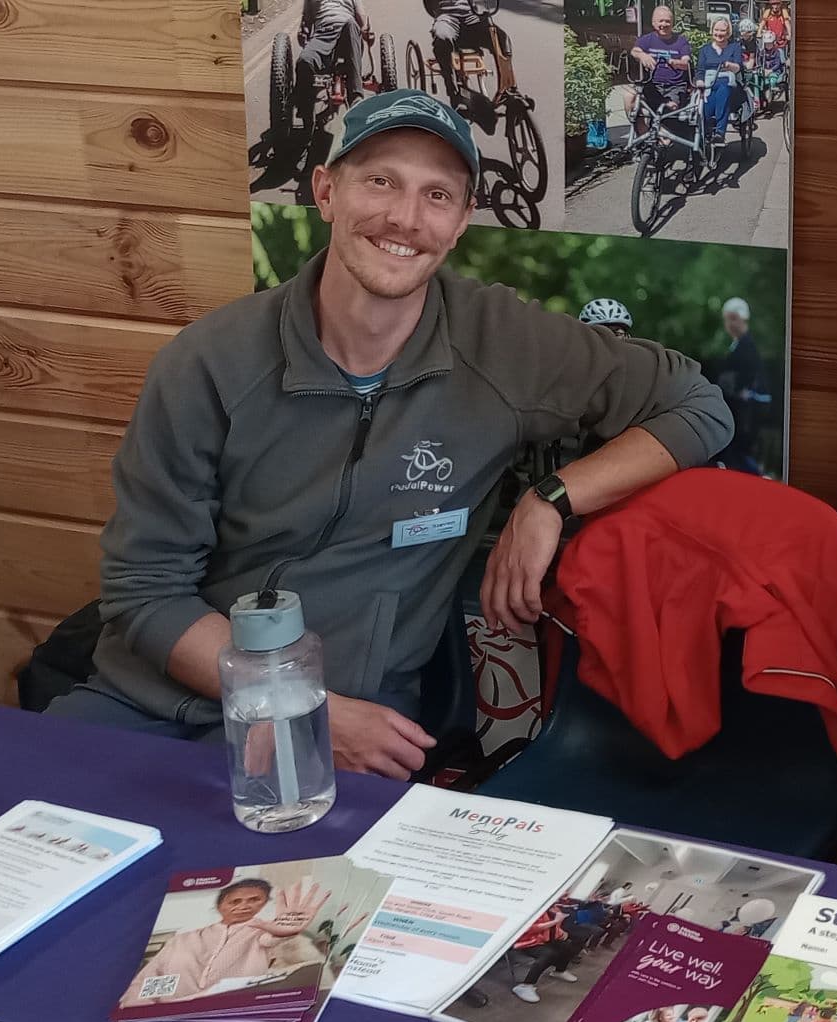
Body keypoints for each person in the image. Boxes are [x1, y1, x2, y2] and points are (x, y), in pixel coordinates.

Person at [47, 90, 733, 780]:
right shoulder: (210, 362)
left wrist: (551, 499)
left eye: (438, 195)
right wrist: (295, 704)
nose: (405, 217)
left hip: (355, 733)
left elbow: (697, 406)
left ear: (463, 221)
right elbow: (145, 590)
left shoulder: (502, 343)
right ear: (325, 191)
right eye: (380, 181)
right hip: (148, 708)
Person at [120, 879, 329, 1006]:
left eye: (254, 899)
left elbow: (272, 939)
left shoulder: (261, 933)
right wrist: (142, 1008)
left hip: (227, 1010)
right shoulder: (183, 939)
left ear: (265, 903)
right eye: (235, 901)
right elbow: (146, 980)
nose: (244, 906)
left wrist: (287, 931)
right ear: (221, 907)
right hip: (168, 1012)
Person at [707, 297, 770, 475]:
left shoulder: (748, 348)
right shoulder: (739, 346)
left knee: (738, 453)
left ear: (743, 318)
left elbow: (748, 380)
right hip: (739, 410)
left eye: (733, 318)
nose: (729, 324)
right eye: (727, 319)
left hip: (745, 411)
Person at [294, 0, 368, 134]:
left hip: (348, 30)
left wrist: (365, 28)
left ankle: (356, 98)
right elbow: (306, 21)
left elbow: (360, 14)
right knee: (304, 61)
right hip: (323, 34)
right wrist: (303, 31)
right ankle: (306, 113)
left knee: (351, 24)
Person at [631, 5, 692, 130]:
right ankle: (643, 134)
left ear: (672, 23)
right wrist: (643, 55)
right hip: (653, 85)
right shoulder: (647, 40)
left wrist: (675, 62)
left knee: (670, 108)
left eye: (667, 21)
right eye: (661, 21)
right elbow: (634, 51)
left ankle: (663, 134)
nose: (664, 24)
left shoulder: (681, 41)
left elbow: (687, 64)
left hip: (675, 86)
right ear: (654, 23)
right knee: (629, 98)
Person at [509, 906, 585, 1004]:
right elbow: (529, 929)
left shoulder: (554, 907)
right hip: (528, 941)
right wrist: (554, 922)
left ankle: (559, 971)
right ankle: (525, 986)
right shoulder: (532, 909)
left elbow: (556, 925)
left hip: (546, 939)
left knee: (567, 947)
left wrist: (561, 932)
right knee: (549, 954)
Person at [429, 0, 494, 107]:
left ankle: (509, 89)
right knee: (442, 38)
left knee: (498, 36)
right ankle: (454, 93)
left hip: (471, 16)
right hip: (447, 18)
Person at [697, 17, 745, 146]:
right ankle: (706, 130)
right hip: (709, 83)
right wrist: (700, 82)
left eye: (723, 30)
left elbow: (739, 67)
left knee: (724, 90)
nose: (719, 34)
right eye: (716, 30)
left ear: (728, 32)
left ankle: (720, 132)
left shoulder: (734, 47)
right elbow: (700, 70)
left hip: (728, 82)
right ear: (712, 30)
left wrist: (729, 65)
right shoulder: (705, 50)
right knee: (706, 106)